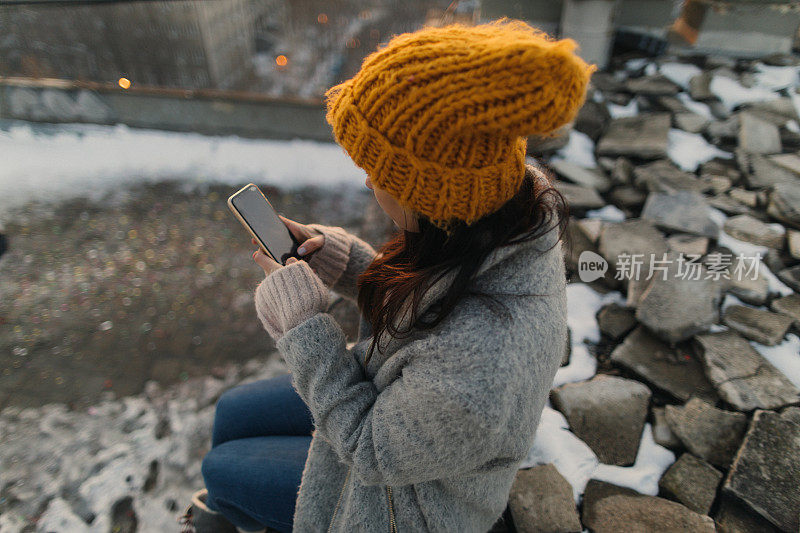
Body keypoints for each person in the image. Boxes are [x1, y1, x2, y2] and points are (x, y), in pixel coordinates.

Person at [179, 17, 595, 533]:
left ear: (431, 197)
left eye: (378, 174)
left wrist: (304, 328)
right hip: (402, 414)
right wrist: (342, 261)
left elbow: (371, 449)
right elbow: (431, 303)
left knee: (221, 472)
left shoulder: (487, 358)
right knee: (233, 416)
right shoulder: (493, 212)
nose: (368, 182)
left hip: (406, 504)